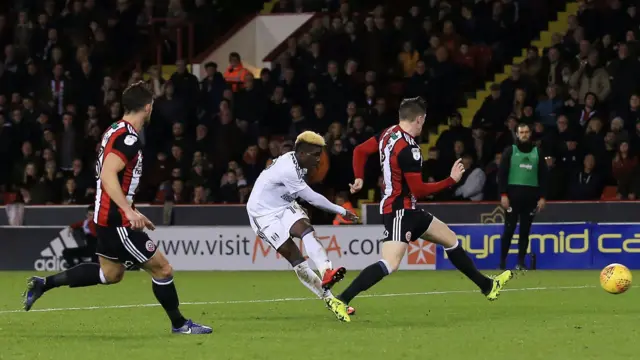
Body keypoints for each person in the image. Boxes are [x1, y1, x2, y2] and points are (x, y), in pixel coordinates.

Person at [22, 82, 212, 335]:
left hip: (108, 215)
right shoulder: (129, 137)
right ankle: (180, 325)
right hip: (116, 219)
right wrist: (128, 211)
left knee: (111, 274)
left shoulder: (114, 129)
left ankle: (44, 284)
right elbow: (109, 176)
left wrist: (134, 210)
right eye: (152, 105)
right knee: (162, 268)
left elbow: (114, 178)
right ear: (147, 106)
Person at [336, 97, 514, 312]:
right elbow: (419, 190)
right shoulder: (410, 149)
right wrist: (451, 181)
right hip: (399, 210)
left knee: (450, 239)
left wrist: (359, 178)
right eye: (424, 120)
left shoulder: (388, 134)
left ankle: (487, 285)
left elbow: (360, 151)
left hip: (408, 209)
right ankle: (342, 299)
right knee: (390, 263)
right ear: (419, 119)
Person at [246, 131, 358, 322]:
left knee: (306, 229)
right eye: (315, 155)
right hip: (262, 214)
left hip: (283, 205)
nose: (318, 160)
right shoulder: (288, 168)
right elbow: (311, 197)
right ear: (303, 154)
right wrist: (340, 209)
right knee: (296, 258)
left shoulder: (301, 165)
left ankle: (326, 271)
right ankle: (331, 301)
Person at [498, 122, 547, 270]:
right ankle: (502, 262)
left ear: (530, 133)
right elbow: (502, 174)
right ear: (517, 134)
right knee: (509, 230)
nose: (524, 135)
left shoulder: (537, 152)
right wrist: (503, 194)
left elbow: (544, 176)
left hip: (531, 198)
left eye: (527, 132)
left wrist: (543, 197)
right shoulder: (510, 151)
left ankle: (520, 262)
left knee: (525, 231)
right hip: (512, 197)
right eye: (522, 132)